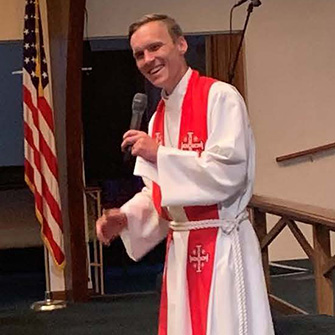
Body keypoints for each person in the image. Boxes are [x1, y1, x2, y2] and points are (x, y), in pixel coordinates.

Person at [96, 13, 274, 335]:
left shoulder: (220, 97)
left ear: (180, 44)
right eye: (139, 54)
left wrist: (159, 154)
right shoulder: (156, 119)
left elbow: (228, 173)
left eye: (155, 47)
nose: (148, 60)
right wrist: (126, 217)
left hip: (221, 242)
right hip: (182, 247)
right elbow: (157, 192)